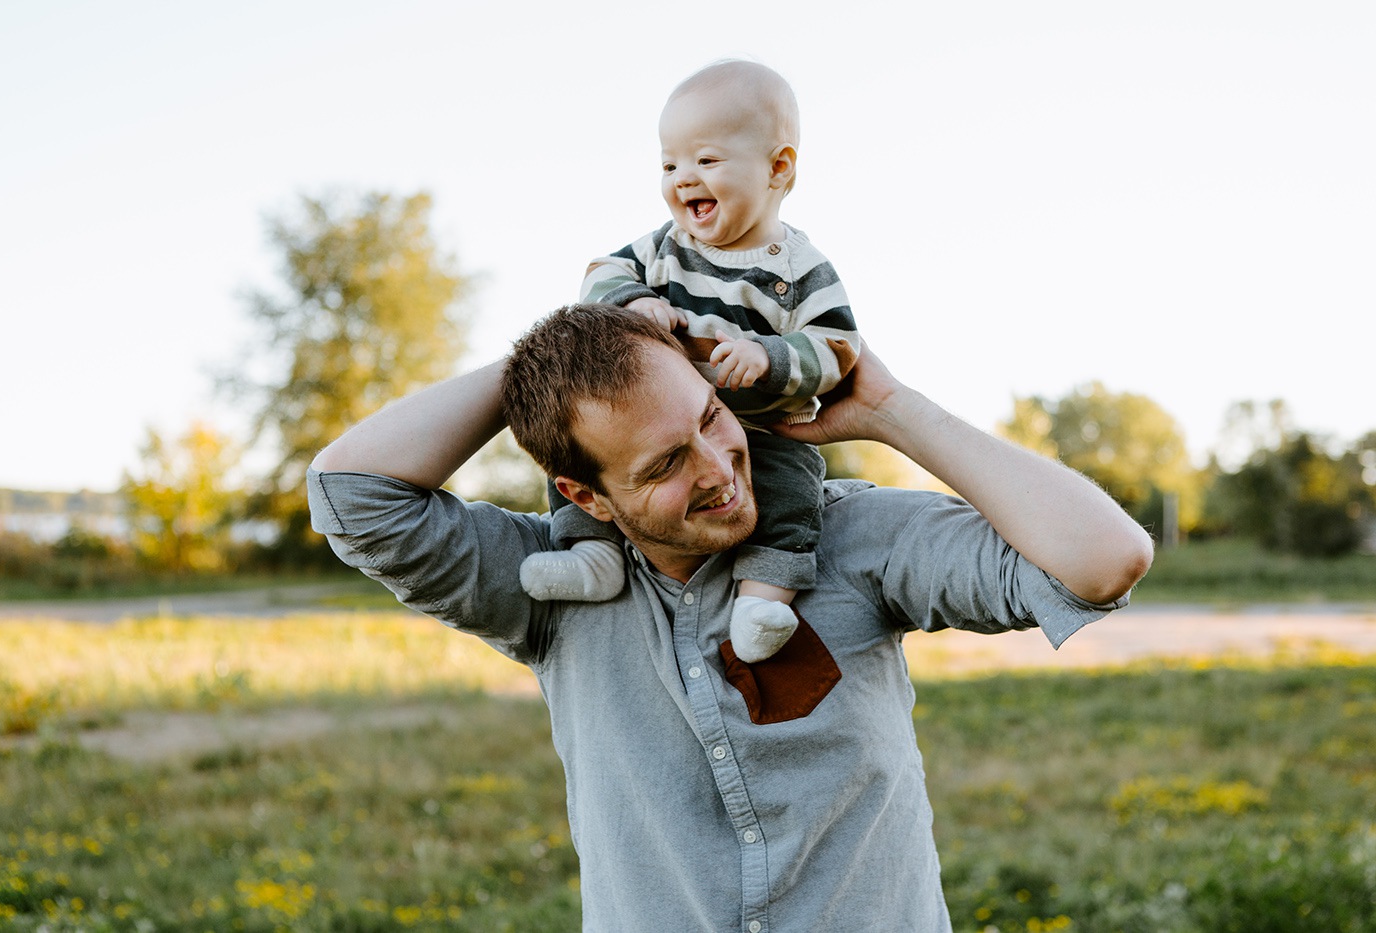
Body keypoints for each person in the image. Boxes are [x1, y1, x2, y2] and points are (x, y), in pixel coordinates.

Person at [307, 302, 1153, 931]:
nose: (720, 468)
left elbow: (1104, 559)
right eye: (666, 462)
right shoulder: (550, 588)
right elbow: (349, 493)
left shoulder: (851, 536)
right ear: (586, 496)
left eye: (710, 417)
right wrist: (550, 358)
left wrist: (892, 411)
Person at [520, 60, 858, 664]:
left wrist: (771, 356)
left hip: (756, 427)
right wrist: (634, 302)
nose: (682, 179)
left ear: (778, 168)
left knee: (790, 489)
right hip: (656, 417)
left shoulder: (799, 270)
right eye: (669, 165)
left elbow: (837, 346)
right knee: (585, 454)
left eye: (705, 161)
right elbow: (601, 272)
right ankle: (589, 555)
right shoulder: (664, 248)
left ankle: (762, 598)